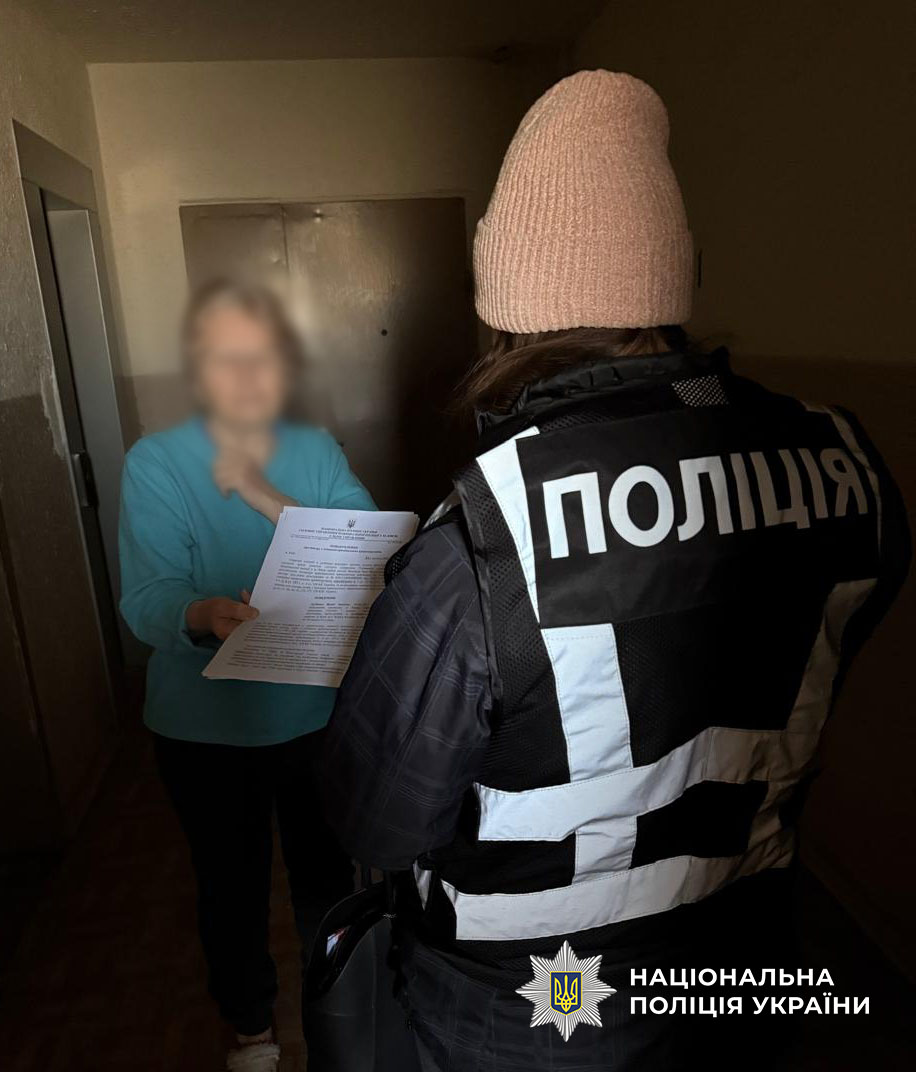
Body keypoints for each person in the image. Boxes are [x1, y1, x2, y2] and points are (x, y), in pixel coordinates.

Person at [320, 71, 910, 1070]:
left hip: (535, 1008)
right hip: (743, 959)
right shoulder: (846, 461)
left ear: (507, 304)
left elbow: (377, 819)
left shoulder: (489, 533)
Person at [119, 279, 374, 1072]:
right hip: (203, 730)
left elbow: (366, 548)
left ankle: (339, 1017)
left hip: (315, 715)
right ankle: (252, 1033)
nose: (247, 374)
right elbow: (146, 597)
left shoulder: (317, 449)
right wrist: (201, 614)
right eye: (226, 357)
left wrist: (263, 495)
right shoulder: (156, 462)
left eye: (262, 355)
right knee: (229, 888)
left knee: (327, 882)